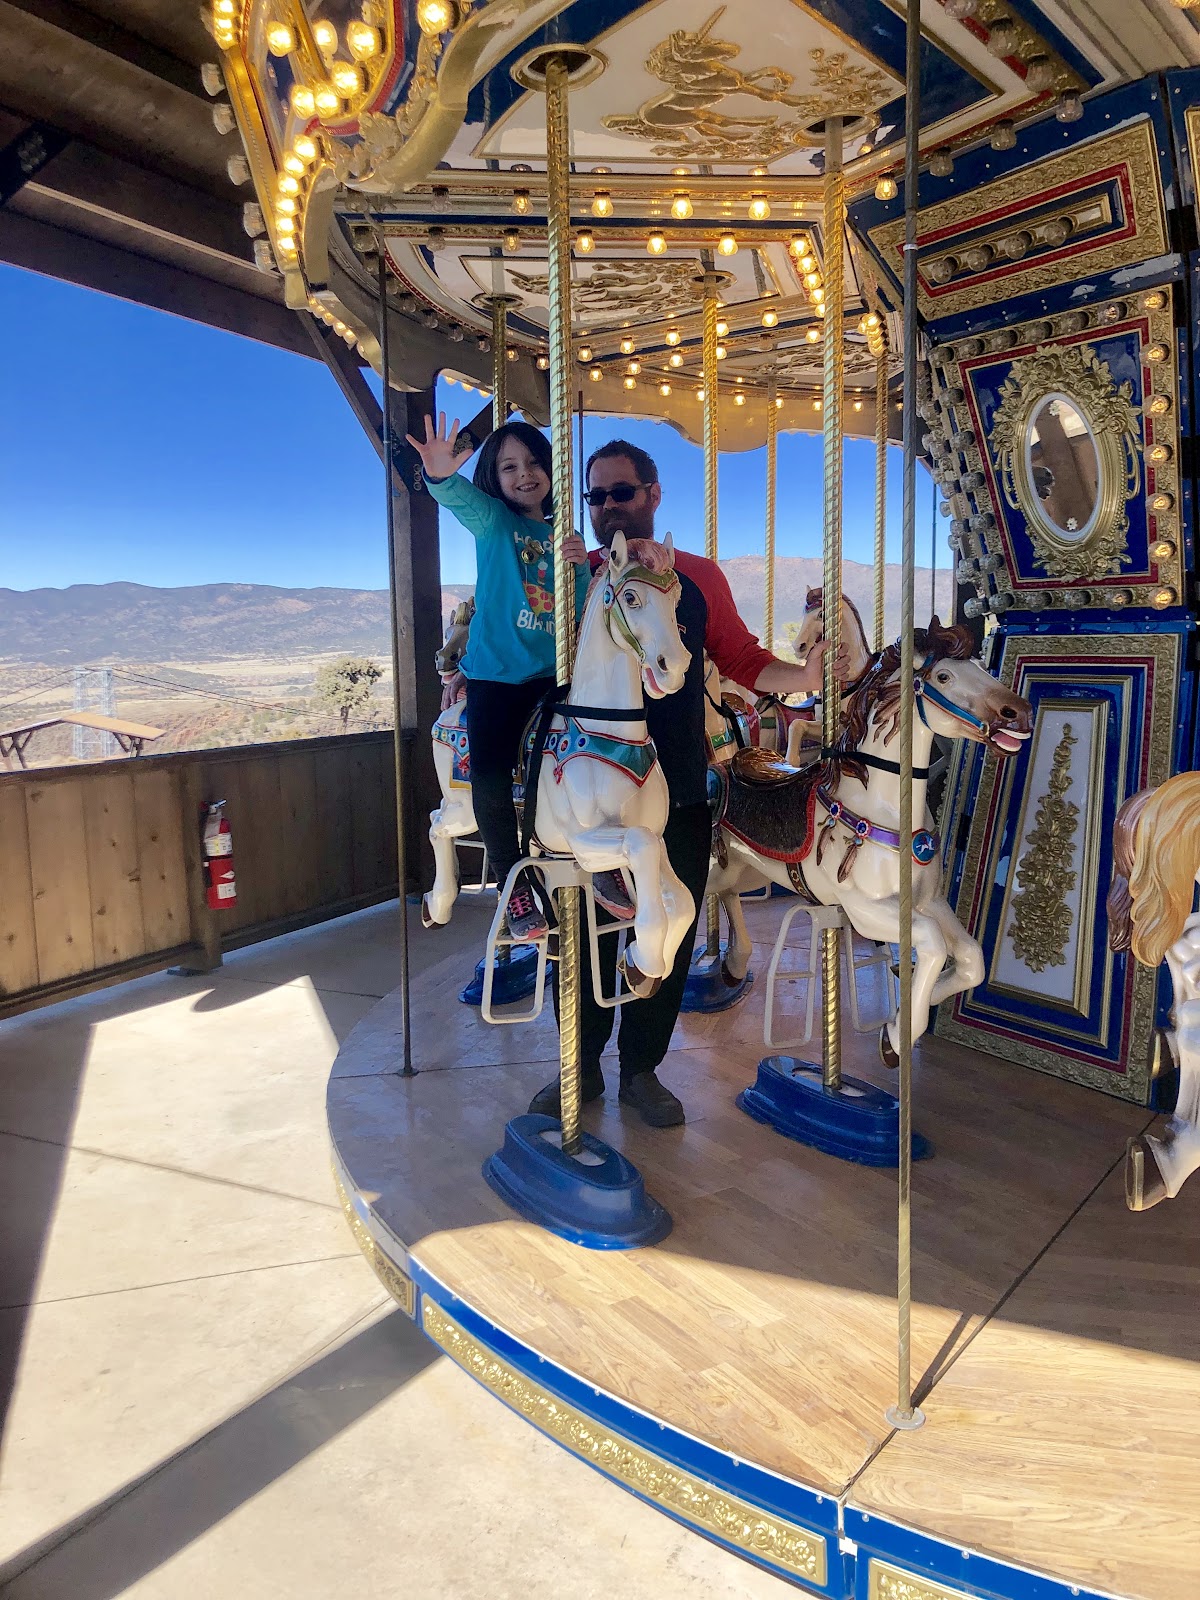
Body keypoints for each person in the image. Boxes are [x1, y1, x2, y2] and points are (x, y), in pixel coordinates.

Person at [530, 438, 842, 1128]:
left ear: (653, 493)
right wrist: (569, 577)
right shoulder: (579, 571)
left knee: (669, 922)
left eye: (623, 492)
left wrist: (804, 679)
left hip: (677, 772)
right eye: (598, 495)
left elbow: (739, 655)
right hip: (585, 778)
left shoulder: (696, 576)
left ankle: (641, 1069)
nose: (610, 506)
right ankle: (575, 1068)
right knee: (583, 926)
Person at [406, 413, 603, 941]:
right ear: (495, 475)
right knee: (491, 777)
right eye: (510, 466)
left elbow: (581, 610)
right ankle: (513, 885)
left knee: (595, 752)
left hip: (549, 675)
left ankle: (601, 859)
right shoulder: (494, 521)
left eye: (535, 463)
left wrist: (580, 564)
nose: (525, 474)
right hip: (496, 677)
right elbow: (458, 500)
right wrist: (442, 475)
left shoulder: (566, 536)